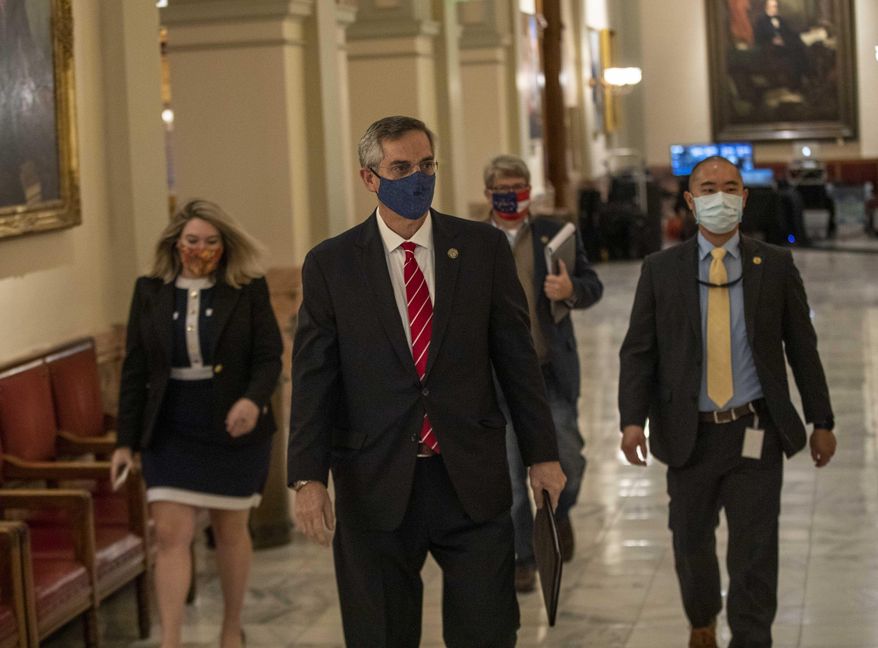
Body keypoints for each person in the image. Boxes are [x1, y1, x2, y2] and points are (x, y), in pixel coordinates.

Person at [287, 115, 566, 647]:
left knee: (487, 631)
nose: (418, 177)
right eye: (401, 167)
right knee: (381, 633)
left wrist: (542, 454)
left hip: (469, 473)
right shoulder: (332, 264)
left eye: (426, 165)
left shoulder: (481, 248)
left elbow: (516, 361)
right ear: (370, 178)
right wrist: (307, 477)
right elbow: (314, 377)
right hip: (375, 480)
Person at [618, 156, 836, 648]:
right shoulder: (660, 269)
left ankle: (752, 637)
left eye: (730, 187)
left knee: (755, 549)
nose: (720, 196)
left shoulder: (775, 265)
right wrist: (632, 421)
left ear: (744, 197)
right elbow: (638, 352)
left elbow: (802, 348)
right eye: (708, 188)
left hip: (754, 430)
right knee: (690, 542)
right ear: (691, 201)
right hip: (686, 430)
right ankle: (702, 618)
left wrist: (822, 419)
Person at [111, 200, 283, 648]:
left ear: (225, 246)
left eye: (210, 242)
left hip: (233, 424)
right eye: (192, 241)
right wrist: (125, 443)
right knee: (171, 534)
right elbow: (135, 369)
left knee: (229, 531)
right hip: (170, 424)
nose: (200, 249)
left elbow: (268, 358)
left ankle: (230, 629)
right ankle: (171, 640)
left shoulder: (247, 288)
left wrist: (252, 400)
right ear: (175, 243)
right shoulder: (148, 290)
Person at [481, 154, 603, 592]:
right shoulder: (473, 240)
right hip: (498, 378)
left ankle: (560, 511)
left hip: (549, 370)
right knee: (514, 474)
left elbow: (593, 286)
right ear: (488, 193)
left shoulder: (557, 234)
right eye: (502, 188)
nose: (511, 195)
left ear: (530, 190)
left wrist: (572, 291)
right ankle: (524, 555)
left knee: (568, 456)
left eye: (518, 186)